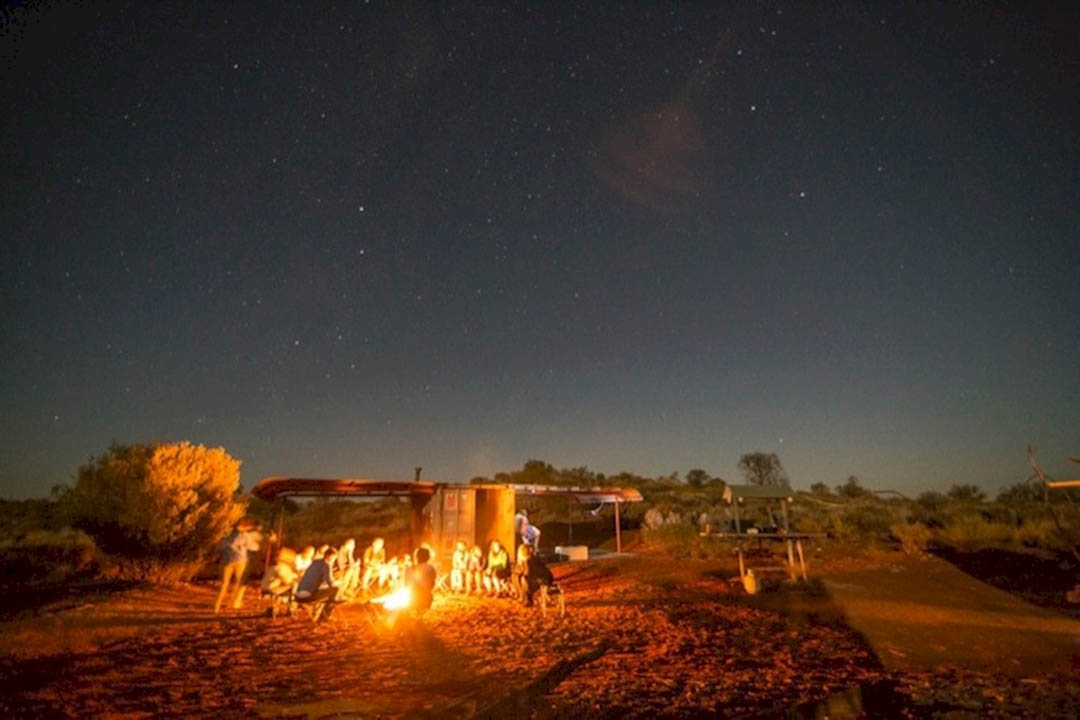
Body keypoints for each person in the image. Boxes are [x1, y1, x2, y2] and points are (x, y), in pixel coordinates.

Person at [214, 518, 262, 613]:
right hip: (239, 561)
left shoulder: (227, 534)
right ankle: (232, 603)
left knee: (225, 584)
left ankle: (217, 606)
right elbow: (253, 547)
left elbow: (221, 546)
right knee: (237, 582)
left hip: (227, 561)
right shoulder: (245, 536)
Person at [296, 546, 340, 621]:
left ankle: (320, 613)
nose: (334, 560)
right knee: (336, 589)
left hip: (298, 594)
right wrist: (339, 582)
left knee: (327, 590)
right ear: (330, 556)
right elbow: (331, 583)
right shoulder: (327, 565)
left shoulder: (315, 562)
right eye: (334, 558)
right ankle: (325, 617)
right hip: (308, 596)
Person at [261, 547, 299, 616]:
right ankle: (291, 608)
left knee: (287, 589)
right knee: (295, 586)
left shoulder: (275, 565)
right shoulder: (281, 567)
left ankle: (274, 608)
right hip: (271, 588)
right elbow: (287, 581)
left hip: (267, 586)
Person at [407, 546, 437, 615]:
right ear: (428, 558)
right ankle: (421, 609)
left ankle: (416, 609)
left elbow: (406, 584)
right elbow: (432, 584)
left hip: (412, 599)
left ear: (416, 557)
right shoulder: (430, 568)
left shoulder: (409, 569)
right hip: (425, 599)